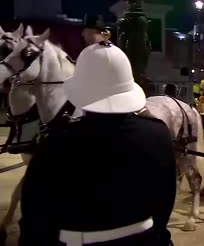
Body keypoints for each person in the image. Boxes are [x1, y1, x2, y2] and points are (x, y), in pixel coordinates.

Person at [19, 42, 176, 246]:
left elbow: (34, 222)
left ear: (80, 91)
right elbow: (164, 204)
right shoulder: (159, 133)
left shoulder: (56, 144)